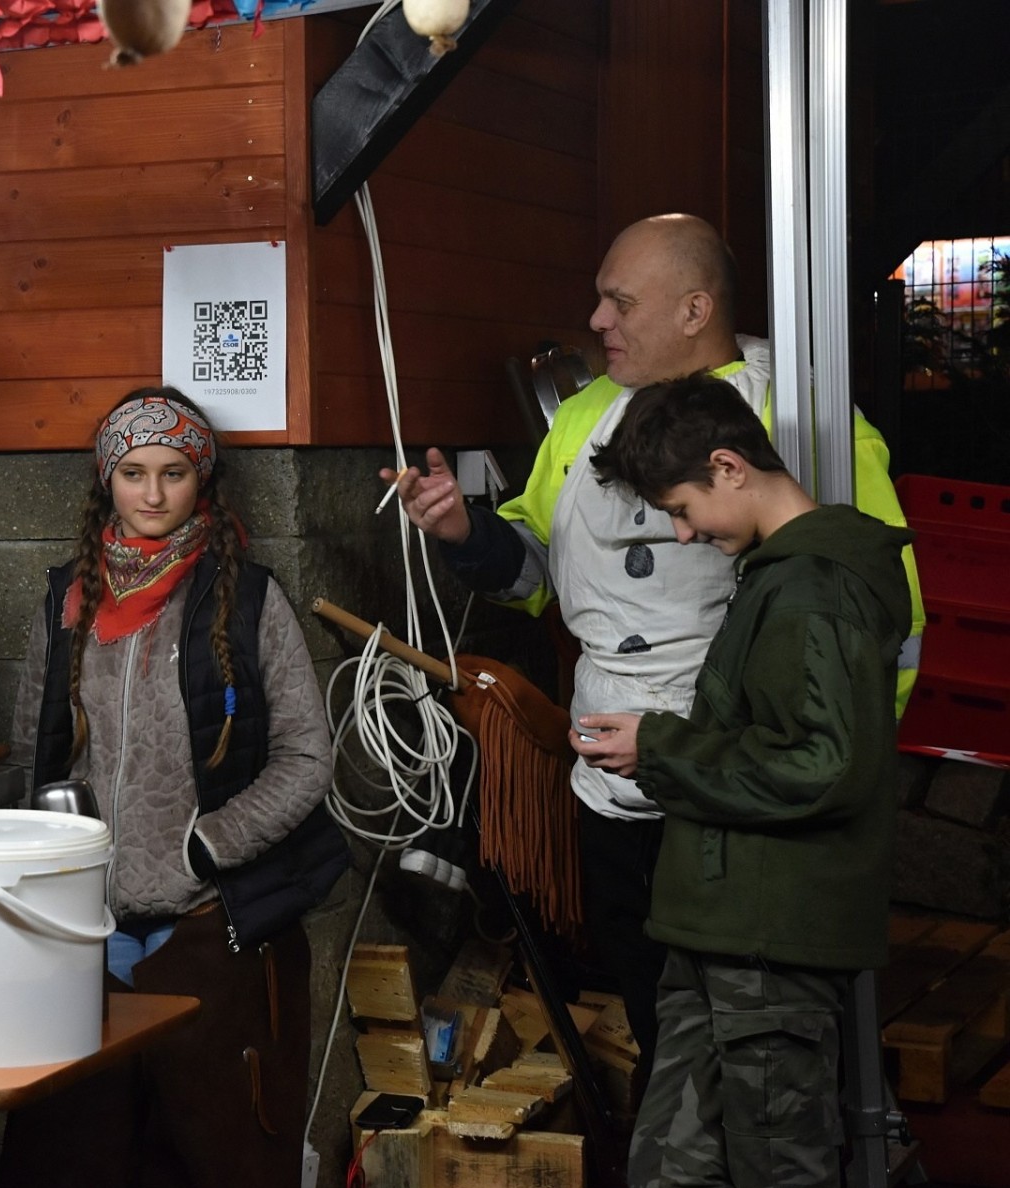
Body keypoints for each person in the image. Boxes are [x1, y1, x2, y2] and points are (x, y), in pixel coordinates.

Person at [384, 213, 923, 1078]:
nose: (596, 321)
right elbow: (538, 576)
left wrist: (842, 780)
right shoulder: (583, 417)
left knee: (761, 1048)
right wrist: (462, 532)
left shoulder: (804, 413)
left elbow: (880, 618)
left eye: (620, 302)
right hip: (611, 785)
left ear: (694, 309)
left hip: (742, 798)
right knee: (660, 1017)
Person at [0, 387, 349, 1188]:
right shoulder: (66, 602)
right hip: (86, 926)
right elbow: (28, 757)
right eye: (133, 473)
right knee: (78, 1154)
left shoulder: (248, 599)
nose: (152, 494)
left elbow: (305, 757)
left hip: (206, 922)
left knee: (206, 1155)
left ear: (203, 479)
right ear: (106, 480)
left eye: (174, 473)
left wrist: (208, 847)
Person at [572, 373, 912, 1188]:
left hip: (769, 942)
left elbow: (822, 765)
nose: (684, 534)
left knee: (778, 1176)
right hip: (723, 931)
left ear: (728, 466)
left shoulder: (812, 592)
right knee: (669, 1174)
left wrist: (660, 748)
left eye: (683, 508)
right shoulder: (779, 577)